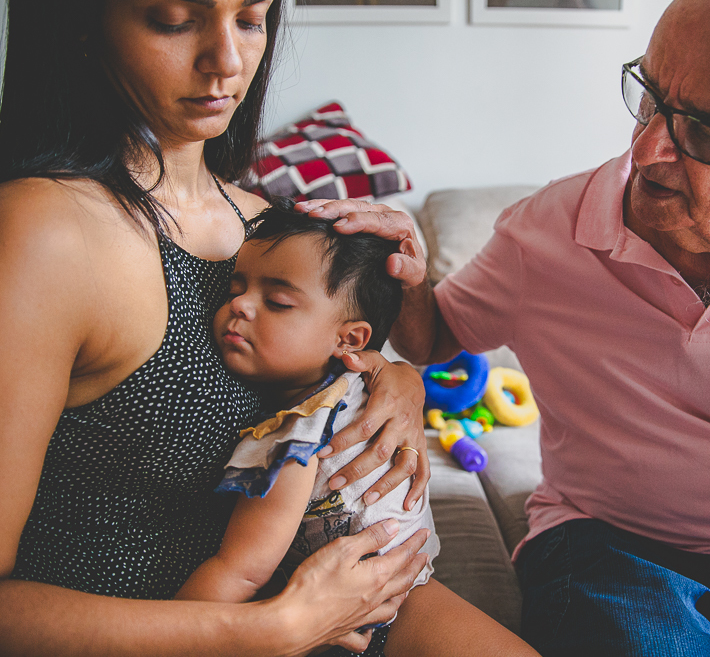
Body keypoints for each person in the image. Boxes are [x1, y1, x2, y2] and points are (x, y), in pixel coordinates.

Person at [305, 0, 710, 654]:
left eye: (705, 131)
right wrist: (409, 274)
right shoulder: (545, 231)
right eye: (651, 97)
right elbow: (434, 338)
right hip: (609, 541)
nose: (647, 148)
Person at [0, 0, 434, 654]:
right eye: (174, 21)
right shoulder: (38, 232)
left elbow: (332, 364)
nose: (227, 60)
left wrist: (396, 380)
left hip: (319, 597)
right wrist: (275, 629)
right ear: (84, 25)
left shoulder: (268, 228)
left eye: (250, 20)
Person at [174, 200, 538, 656]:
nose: (239, 305)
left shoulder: (301, 434)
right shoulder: (334, 402)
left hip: (393, 596)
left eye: (278, 302)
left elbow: (238, 571)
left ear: (350, 339)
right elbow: (243, 571)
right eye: (235, 287)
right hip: (335, 611)